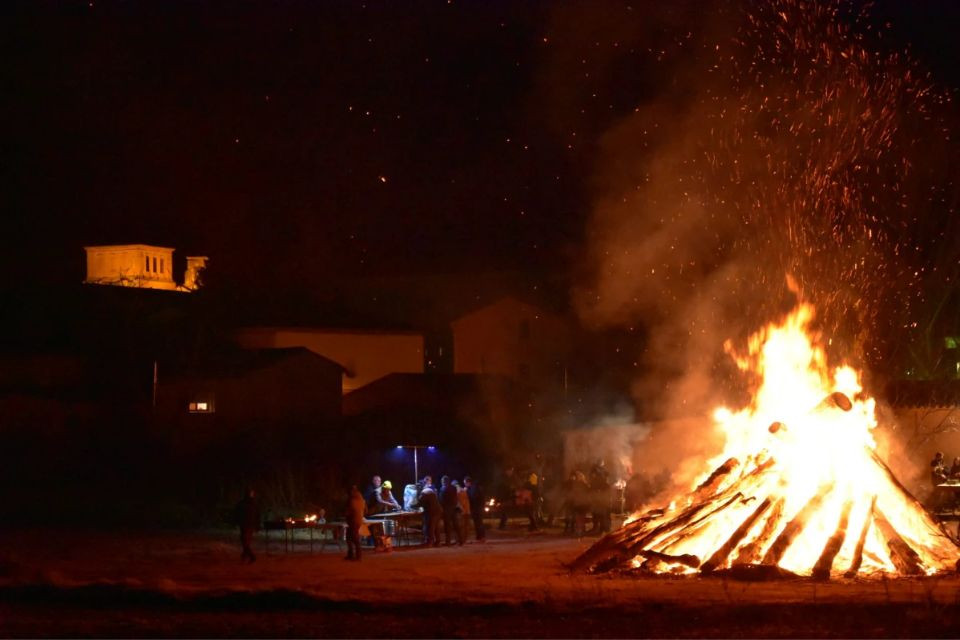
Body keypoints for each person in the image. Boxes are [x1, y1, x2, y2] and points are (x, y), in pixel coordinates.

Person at [234, 488, 261, 564]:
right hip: (247, 525)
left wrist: (257, 525)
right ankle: (245, 556)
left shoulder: (248, 504)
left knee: (245, 542)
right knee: (246, 542)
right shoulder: (250, 504)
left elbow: (257, 515)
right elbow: (237, 514)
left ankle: (251, 556)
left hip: (247, 525)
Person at [440, 475, 464, 545]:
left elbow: (441, 499)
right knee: (456, 525)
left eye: (442, 481)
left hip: (447, 509)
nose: (441, 482)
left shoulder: (443, 489)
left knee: (447, 525)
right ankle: (460, 540)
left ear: (444, 481)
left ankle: (448, 542)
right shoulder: (453, 488)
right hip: (454, 508)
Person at [345, 485, 366, 561]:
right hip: (358, 520)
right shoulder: (361, 499)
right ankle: (351, 554)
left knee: (354, 538)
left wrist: (346, 516)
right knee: (349, 537)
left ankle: (358, 555)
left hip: (353, 520)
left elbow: (348, 511)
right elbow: (366, 510)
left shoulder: (352, 500)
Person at [419, 480, 442, 546]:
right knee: (436, 527)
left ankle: (430, 542)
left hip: (432, 512)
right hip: (438, 510)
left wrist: (412, 506)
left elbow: (420, 502)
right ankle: (438, 542)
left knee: (431, 527)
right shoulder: (431, 491)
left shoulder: (424, 492)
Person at [464, 476, 486, 542]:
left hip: (477, 508)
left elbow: (473, 497)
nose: (465, 484)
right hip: (478, 507)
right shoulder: (474, 487)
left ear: (468, 482)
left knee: (479, 522)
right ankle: (479, 537)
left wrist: (466, 491)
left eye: (465, 483)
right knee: (477, 523)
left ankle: (481, 537)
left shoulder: (474, 488)